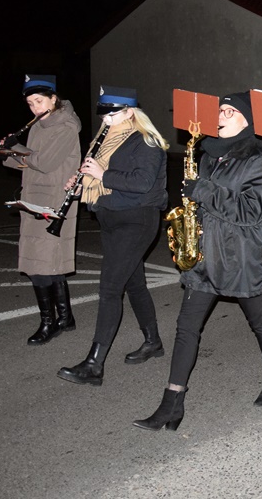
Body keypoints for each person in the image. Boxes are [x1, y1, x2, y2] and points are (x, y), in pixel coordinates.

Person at [134, 91, 262, 431]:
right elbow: (204, 203)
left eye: (230, 111)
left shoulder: (257, 161)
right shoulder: (209, 156)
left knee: (259, 320)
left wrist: (202, 191)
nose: (221, 115)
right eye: (221, 110)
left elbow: (252, 212)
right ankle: (172, 403)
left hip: (240, 255)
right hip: (205, 254)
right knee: (186, 327)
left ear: (247, 120)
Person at [57, 86, 169, 386]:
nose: (105, 120)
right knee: (134, 283)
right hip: (111, 216)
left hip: (136, 219)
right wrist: (81, 185)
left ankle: (94, 365)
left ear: (130, 112)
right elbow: (102, 178)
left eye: (112, 114)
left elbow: (143, 182)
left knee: (109, 289)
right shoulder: (105, 140)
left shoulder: (146, 140)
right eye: (103, 114)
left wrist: (101, 174)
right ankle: (153, 342)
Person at [0, 74, 81, 345]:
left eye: (39, 101)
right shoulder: (38, 125)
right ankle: (65, 318)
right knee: (47, 263)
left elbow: (44, 162)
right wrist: (5, 152)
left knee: (41, 265)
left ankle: (48, 323)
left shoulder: (66, 126)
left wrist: (16, 148)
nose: (35, 108)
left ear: (53, 98)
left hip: (54, 200)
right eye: (30, 103)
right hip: (33, 197)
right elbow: (29, 162)